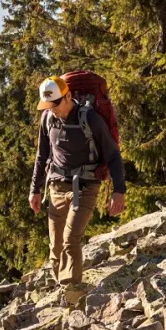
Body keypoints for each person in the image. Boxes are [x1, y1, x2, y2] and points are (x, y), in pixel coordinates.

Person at [29, 75, 126, 285]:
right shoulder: (47, 119)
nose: (52, 109)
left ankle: (72, 294)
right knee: (55, 247)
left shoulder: (90, 118)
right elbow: (41, 155)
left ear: (68, 96)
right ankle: (62, 289)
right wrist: (34, 189)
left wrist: (119, 190)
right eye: (47, 105)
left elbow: (113, 155)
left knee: (70, 241)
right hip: (55, 186)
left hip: (84, 187)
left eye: (55, 104)